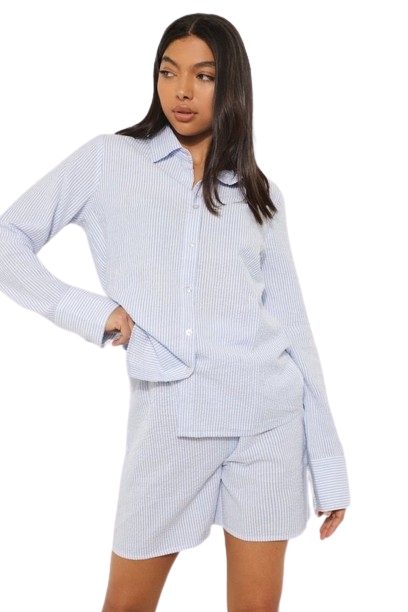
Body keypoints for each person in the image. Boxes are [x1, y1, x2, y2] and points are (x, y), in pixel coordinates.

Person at [0, 12, 351, 612]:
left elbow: (293, 328)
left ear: (231, 85)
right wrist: (93, 313)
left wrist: (328, 462)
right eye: (169, 72)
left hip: (267, 423)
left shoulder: (259, 193)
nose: (182, 90)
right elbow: (9, 238)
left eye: (203, 76)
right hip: (169, 418)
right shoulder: (109, 160)